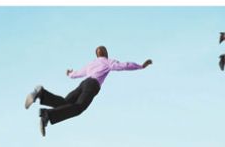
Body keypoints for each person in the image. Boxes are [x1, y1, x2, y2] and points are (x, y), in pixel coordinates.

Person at [24, 46, 153, 136]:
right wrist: (140, 66)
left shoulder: (91, 64)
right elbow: (124, 66)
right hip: (92, 85)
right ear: (106, 54)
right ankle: (47, 115)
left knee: (64, 103)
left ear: (96, 55)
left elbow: (78, 73)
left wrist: (70, 74)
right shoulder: (108, 62)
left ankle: (41, 93)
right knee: (78, 108)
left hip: (83, 83)